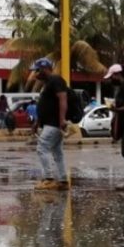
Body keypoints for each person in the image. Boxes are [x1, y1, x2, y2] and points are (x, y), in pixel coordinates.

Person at [32, 57, 70, 191]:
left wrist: (62, 120)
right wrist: (37, 122)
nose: (35, 73)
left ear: (44, 68)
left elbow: (62, 100)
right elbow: (44, 105)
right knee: (57, 152)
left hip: (54, 123)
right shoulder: (47, 84)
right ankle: (63, 180)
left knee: (42, 148)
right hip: (48, 123)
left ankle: (48, 179)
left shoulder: (56, 80)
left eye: (37, 70)